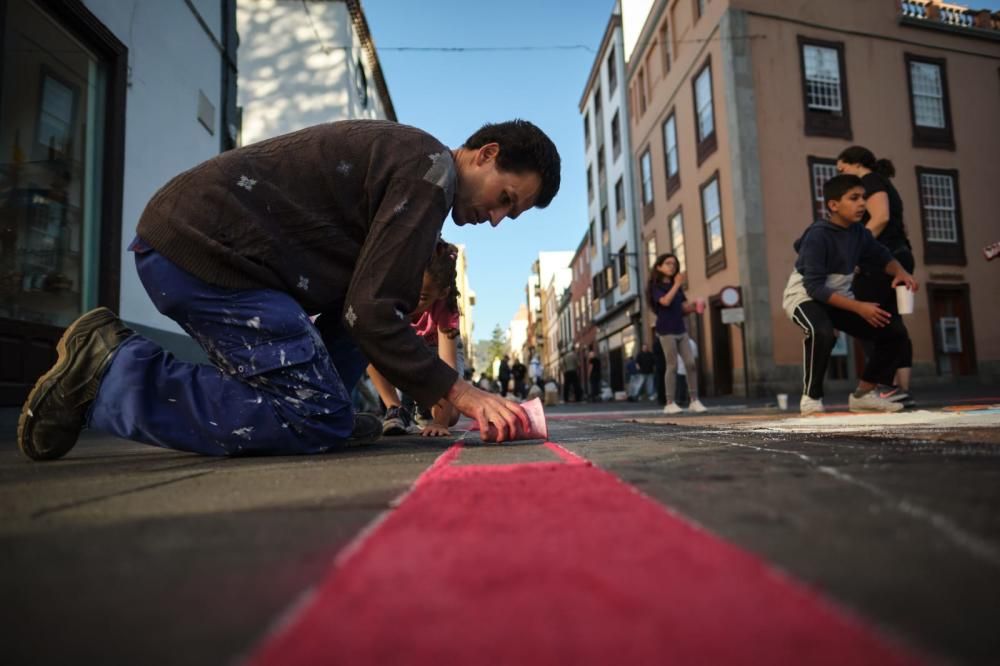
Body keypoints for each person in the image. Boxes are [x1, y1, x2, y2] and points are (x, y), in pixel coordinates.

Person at [17, 119, 561, 460]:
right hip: (202, 253)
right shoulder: (431, 173)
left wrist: (428, 391)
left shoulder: (419, 170)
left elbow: (364, 312)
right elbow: (369, 313)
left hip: (203, 248)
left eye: (509, 216)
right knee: (315, 416)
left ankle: (319, 414)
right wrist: (462, 393)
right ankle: (111, 374)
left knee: (332, 393)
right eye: (506, 199)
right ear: (486, 154)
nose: (496, 219)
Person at [782, 174, 917, 416]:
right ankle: (811, 398)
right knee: (820, 330)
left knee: (894, 332)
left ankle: (863, 395)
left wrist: (901, 272)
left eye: (863, 198)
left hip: (838, 298)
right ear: (833, 205)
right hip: (805, 297)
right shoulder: (818, 235)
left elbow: (883, 256)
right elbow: (815, 288)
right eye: (854, 198)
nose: (862, 204)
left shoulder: (859, 233)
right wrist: (859, 307)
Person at [837, 146, 916, 408]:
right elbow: (897, 224)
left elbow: (880, 218)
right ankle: (899, 390)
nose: (841, 174)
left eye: (842, 169)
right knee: (892, 320)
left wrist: (854, 249)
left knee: (869, 318)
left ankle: (883, 387)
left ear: (855, 163)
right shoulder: (885, 184)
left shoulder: (869, 182)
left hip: (885, 261)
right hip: (899, 255)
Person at [369, 240, 461, 437]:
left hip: (435, 356)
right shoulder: (394, 297)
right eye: (409, 291)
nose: (410, 303)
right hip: (406, 353)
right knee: (366, 343)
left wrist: (440, 422)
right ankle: (395, 407)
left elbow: (447, 364)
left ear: (441, 293)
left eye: (421, 297)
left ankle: (423, 406)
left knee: (451, 416)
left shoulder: (446, 307)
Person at [648, 254, 707, 414]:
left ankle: (694, 400)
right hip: (666, 330)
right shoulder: (656, 286)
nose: (672, 266)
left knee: (690, 364)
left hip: (680, 329)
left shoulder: (677, 286)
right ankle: (669, 403)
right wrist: (677, 284)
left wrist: (695, 306)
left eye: (674, 264)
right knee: (672, 365)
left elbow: (683, 308)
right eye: (668, 263)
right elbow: (665, 302)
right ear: (659, 266)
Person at [675, 337, 698, 407]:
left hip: (681, 367)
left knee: (681, 384)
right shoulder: (692, 342)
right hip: (689, 365)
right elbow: (695, 355)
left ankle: (681, 399)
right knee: (690, 383)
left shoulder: (680, 343)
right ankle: (691, 398)